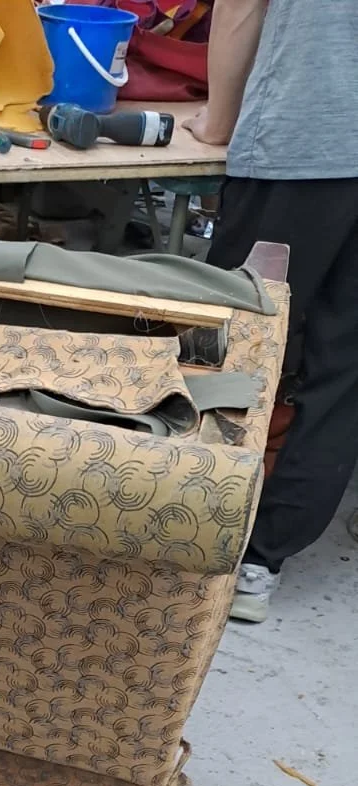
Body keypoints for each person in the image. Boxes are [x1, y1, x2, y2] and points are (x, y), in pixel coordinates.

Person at [185, 0, 358, 623]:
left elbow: (240, 8)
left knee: (228, 343)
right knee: (345, 369)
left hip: (305, 142)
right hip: (316, 144)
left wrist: (218, 122)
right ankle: (262, 562)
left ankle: (184, 531)